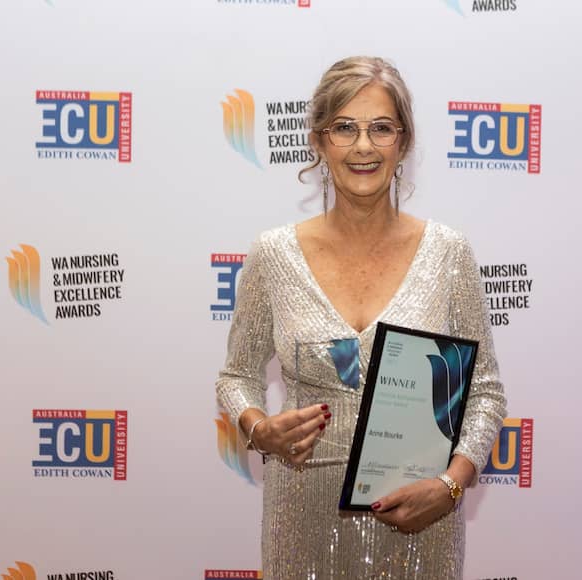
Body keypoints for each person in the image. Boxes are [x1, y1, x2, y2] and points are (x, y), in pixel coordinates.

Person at [216, 56, 506, 579]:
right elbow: (236, 377)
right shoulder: (274, 255)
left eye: (381, 128)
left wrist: (451, 486)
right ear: (320, 142)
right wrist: (260, 430)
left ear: (404, 142)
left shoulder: (448, 253)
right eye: (344, 128)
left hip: (419, 520)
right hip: (300, 517)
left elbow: (484, 394)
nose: (364, 146)